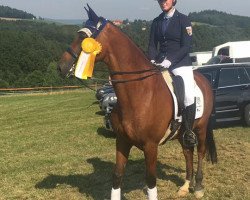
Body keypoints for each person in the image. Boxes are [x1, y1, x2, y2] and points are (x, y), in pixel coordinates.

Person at [148, 0, 197, 147]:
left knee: (188, 95)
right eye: (160, 1)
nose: (163, 2)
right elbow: (151, 45)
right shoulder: (156, 22)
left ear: (173, 0)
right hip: (160, 63)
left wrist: (170, 61)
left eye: (166, 0)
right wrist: (152, 59)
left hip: (180, 63)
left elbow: (186, 46)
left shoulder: (183, 19)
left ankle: (188, 131)